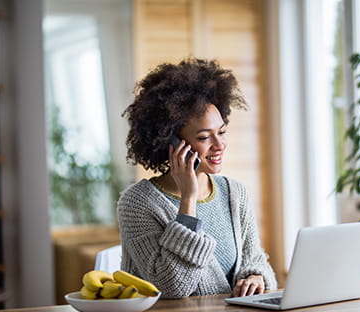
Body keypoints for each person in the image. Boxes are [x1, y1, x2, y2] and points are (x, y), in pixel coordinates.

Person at [118, 58, 277, 298]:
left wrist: (256, 277)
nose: (219, 145)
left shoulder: (234, 192)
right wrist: (188, 200)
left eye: (221, 132)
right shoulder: (138, 203)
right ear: (170, 142)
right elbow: (171, 287)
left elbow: (254, 259)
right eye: (204, 137)